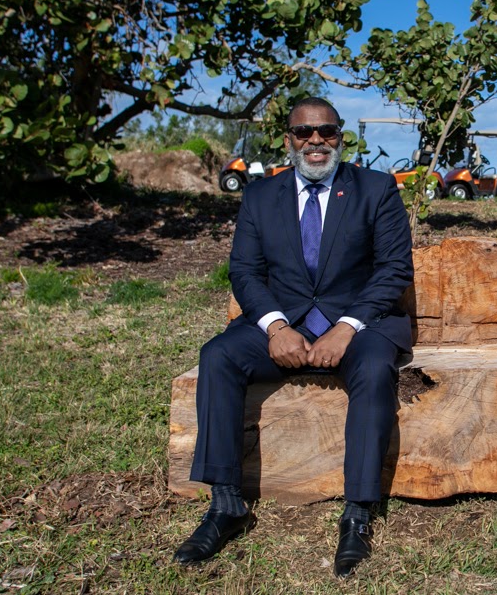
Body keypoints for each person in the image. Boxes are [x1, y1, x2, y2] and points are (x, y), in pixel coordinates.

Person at [173, 97, 414, 578]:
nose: (316, 141)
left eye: (327, 131)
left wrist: (346, 327)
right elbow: (244, 270)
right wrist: (276, 326)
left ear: (341, 136)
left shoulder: (376, 188)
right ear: (289, 139)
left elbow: (393, 269)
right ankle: (226, 505)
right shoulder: (261, 195)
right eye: (304, 132)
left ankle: (357, 514)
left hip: (358, 324)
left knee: (373, 367)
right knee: (218, 355)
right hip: (286, 324)